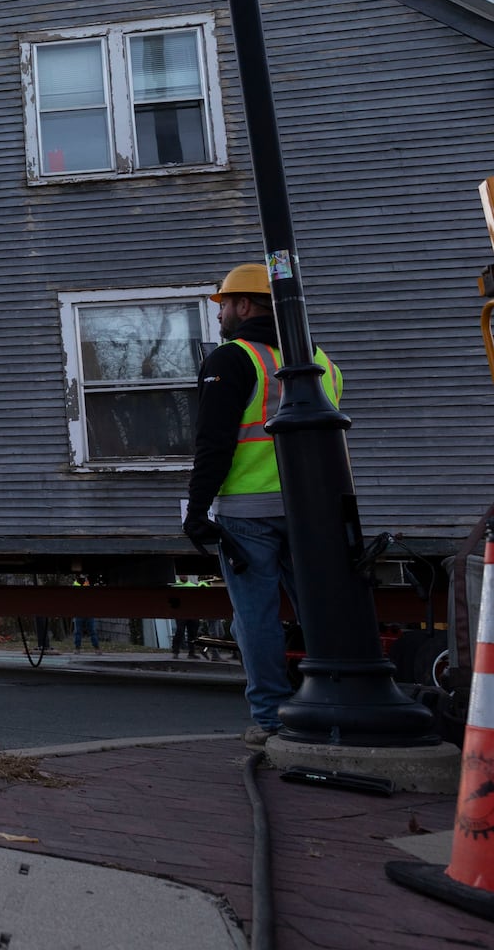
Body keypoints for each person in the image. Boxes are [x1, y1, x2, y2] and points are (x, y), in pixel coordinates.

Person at [182, 262, 342, 747]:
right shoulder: (320, 360)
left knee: (256, 617)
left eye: (224, 304)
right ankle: (336, 703)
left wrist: (197, 509)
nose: (221, 314)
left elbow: (214, 441)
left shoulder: (233, 358)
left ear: (245, 305)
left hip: (249, 513)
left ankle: (272, 717)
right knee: (324, 611)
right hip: (313, 510)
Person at [169, 575, 206, 659]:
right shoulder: (175, 586)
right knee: (180, 631)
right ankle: (175, 652)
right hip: (180, 613)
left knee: (193, 633)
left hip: (193, 613)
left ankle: (191, 653)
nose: (184, 576)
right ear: (179, 576)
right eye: (182, 574)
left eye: (185, 574)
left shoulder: (193, 586)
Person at [71, 574, 100, 653]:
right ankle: (78, 648)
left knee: (91, 631)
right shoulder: (77, 584)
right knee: (79, 631)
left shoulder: (87, 584)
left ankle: (96, 648)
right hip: (80, 611)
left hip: (87, 611)